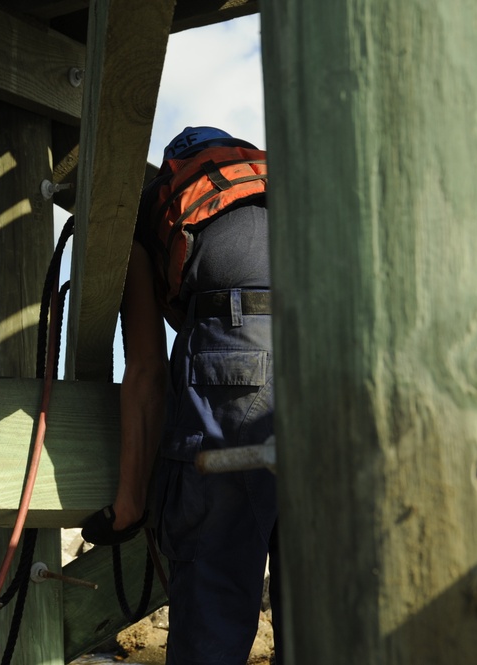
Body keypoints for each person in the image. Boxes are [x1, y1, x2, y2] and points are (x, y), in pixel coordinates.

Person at [82, 126, 278, 664]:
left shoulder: (146, 217)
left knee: (214, 585)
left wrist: (128, 505)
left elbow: (145, 373)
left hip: (234, 361)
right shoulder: (273, 190)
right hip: (331, 352)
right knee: (322, 607)